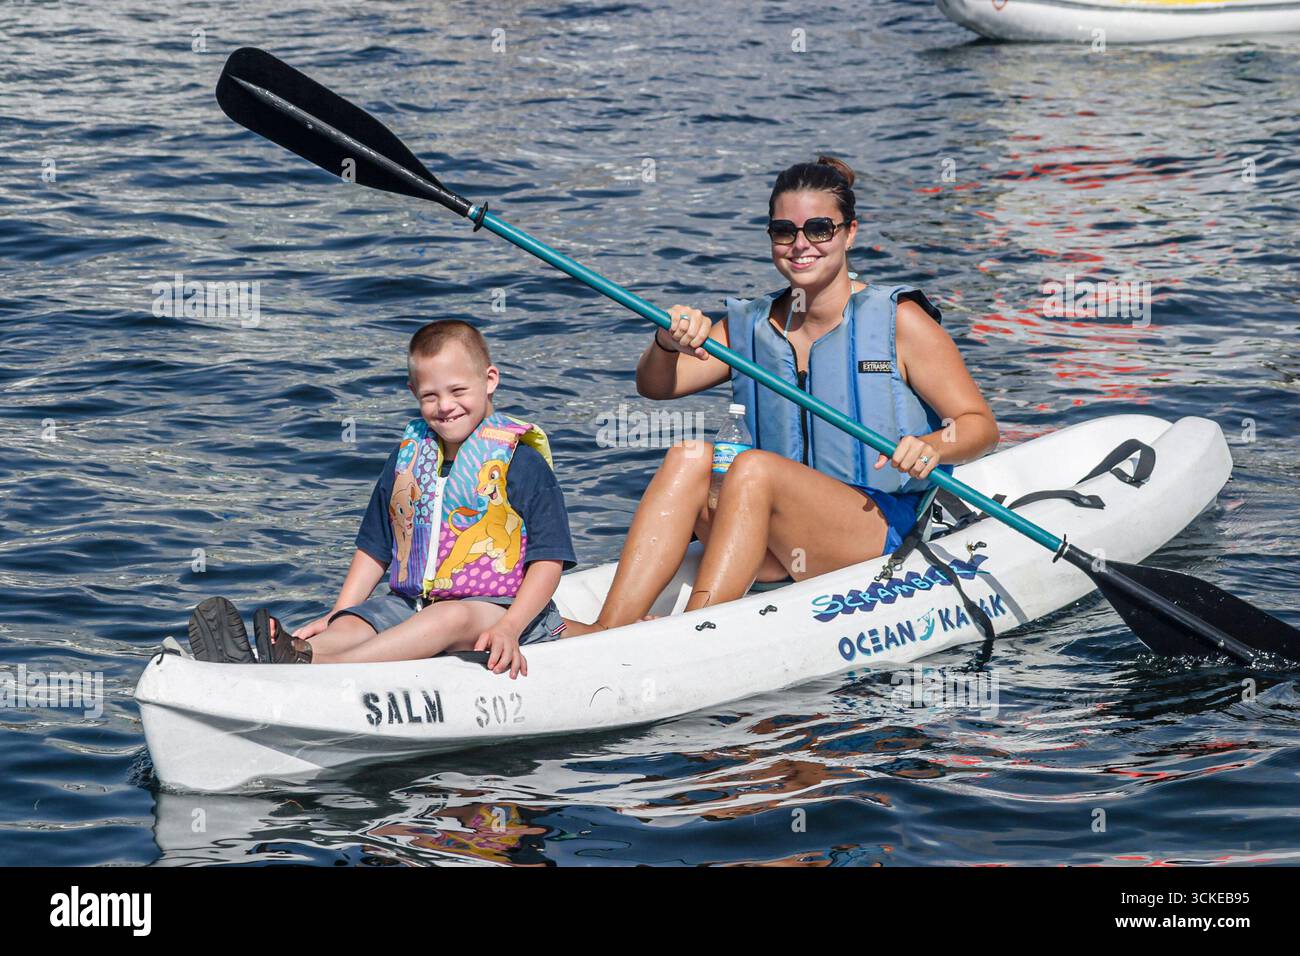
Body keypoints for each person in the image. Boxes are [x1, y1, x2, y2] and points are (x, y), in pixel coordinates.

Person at [564, 156, 999, 635]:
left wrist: (934, 446)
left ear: (850, 233)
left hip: (876, 531)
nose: (801, 245)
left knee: (752, 467)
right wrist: (666, 343)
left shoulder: (899, 322)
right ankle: (607, 629)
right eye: (784, 232)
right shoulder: (751, 325)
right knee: (688, 455)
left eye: (819, 229)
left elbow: (979, 424)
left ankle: (694, 632)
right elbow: (656, 386)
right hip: (773, 536)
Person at [186, 320, 576, 678]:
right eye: (429, 395)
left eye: (458, 390)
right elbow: (376, 547)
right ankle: (285, 654)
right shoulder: (406, 461)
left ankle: (316, 666)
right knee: (354, 624)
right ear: (413, 393)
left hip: (499, 611)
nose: (444, 406)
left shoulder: (521, 464)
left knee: (446, 618)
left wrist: (510, 626)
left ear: (489, 380)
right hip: (411, 603)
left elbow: (549, 558)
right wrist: (341, 611)